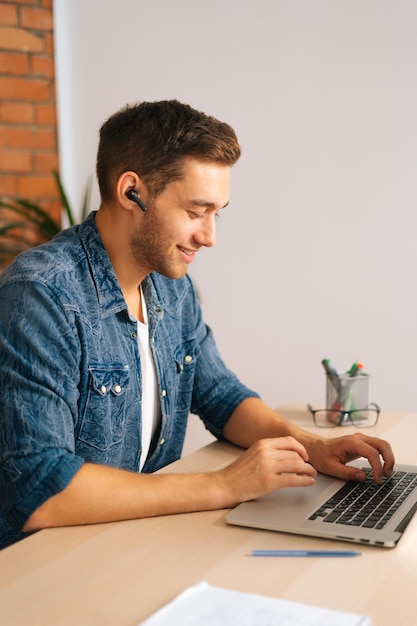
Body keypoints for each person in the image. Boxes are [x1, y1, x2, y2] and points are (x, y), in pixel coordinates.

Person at [0, 100, 394, 550]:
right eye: (195, 212)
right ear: (132, 191)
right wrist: (224, 485)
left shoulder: (169, 286)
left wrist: (312, 448)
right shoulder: (41, 294)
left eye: (216, 213)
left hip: (132, 541)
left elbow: (221, 397)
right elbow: (40, 490)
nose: (210, 236)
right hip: (40, 565)